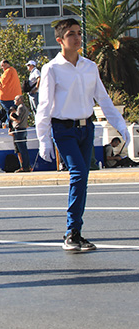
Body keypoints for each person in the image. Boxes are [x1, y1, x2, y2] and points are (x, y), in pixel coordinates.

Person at [36, 18, 131, 252]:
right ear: (60, 40)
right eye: (71, 34)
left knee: (84, 178)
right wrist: (43, 139)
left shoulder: (90, 66)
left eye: (79, 33)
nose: (77, 37)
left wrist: (121, 125)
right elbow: (45, 105)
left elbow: (103, 98)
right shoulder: (52, 69)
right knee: (78, 174)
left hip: (87, 129)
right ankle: (72, 233)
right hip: (63, 130)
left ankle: (75, 231)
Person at [9, 95, 31, 172]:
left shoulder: (20, 108)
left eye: (15, 99)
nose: (14, 101)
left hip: (19, 130)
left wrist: (11, 116)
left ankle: (25, 167)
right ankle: (26, 166)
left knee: (22, 150)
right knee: (23, 149)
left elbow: (18, 120)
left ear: (20, 100)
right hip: (23, 129)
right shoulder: (25, 108)